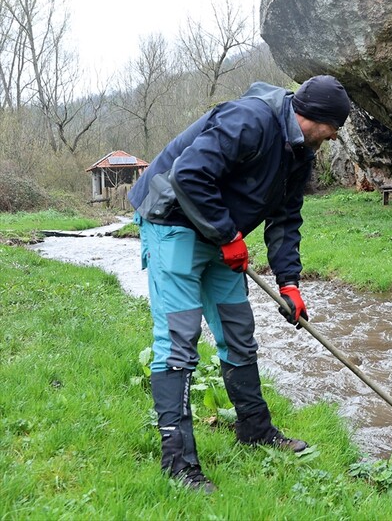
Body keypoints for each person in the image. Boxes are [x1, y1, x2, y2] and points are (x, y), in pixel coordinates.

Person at [128, 76, 352, 493]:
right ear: (316, 118)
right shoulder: (249, 120)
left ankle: (254, 429)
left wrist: (289, 284)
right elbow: (189, 175)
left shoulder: (301, 153)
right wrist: (228, 236)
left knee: (238, 331)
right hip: (171, 220)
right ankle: (178, 466)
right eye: (335, 126)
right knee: (179, 340)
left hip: (217, 231)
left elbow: (285, 220)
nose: (336, 135)